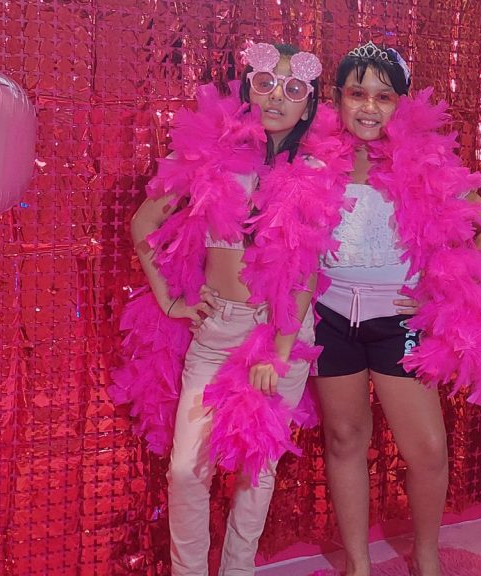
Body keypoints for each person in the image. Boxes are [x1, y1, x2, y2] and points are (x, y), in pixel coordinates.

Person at [112, 42, 332, 576]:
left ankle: (238, 569)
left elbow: (305, 275)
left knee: (257, 472)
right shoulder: (211, 158)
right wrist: (170, 299)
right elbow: (143, 225)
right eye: (265, 83)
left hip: (278, 331)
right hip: (218, 331)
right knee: (187, 470)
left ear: (308, 104)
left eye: (293, 89)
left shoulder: (314, 170)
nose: (277, 97)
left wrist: (279, 351)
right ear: (247, 88)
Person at [312, 42, 481, 576]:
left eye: (383, 96)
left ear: (401, 104)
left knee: (426, 449)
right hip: (329, 319)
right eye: (357, 93)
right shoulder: (314, 158)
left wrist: (441, 290)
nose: (368, 107)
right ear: (338, 98)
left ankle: (425, 557)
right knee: (344, 439)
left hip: (398, 321)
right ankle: (357, 565)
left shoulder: (425, 162)